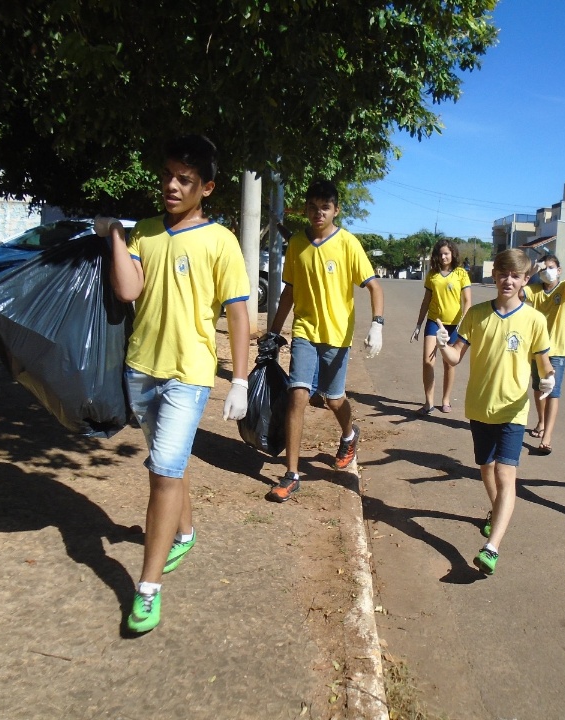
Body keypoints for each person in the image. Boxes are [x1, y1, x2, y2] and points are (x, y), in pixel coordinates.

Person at [96, 134, 251, 634]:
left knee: (162, 471)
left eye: (184, 179)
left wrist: (241, 379)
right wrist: (117, 237)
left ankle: (147, 588)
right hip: (141, 369)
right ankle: (185, 532)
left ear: (206, 187)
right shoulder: (144, 231)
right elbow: (127, 290)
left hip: (190, 374)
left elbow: (239, 314)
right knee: (170, 463)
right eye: (167, 175)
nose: (171, 185)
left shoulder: (221, 240)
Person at [262, 179, 384, 502]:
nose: (319, 213)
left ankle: (349, 433)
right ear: (306, 209)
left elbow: (374, 286)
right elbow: (289, 291)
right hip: (305, 330)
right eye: (313, 207)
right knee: (298, 395)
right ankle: (291, 474)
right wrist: (274, 332)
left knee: (333, 399)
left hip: (337, 335)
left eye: (325, 207)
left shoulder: (347, 243)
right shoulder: (297, 245)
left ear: (336, 210)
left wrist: (378, 324)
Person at [437, 249, 553, 575]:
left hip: (513, 410)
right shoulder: (475, 314)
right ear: (494, 276)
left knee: (505, 475)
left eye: (515, 275)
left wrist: (547, 381)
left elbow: (544, 365)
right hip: (479, 407)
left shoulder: (534, 320)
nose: (508, 280)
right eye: (503, 273)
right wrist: (443, 344)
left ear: (524, 280)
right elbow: (456, 357)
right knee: (486, 470)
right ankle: (496, 511)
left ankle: (492, 548)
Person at [522, 249, 565, 454]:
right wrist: (532, 271)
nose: (547, 272)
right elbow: (518, 292)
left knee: (553, 392)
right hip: (536, 349)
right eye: (544, 268)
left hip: (558, 350)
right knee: (538, 387)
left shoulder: (563, 289)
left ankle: (547, 436)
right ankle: (541, 421)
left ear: (559, 271)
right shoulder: (534, 289)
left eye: (551, 268)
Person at [410, 238, 472, 414]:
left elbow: (467, 301)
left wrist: (463, 323)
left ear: (452, 254)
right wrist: (418, 324)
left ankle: (445, 400)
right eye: (440, 254)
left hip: (454, 325)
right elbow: (426, 301)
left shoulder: (461, 273)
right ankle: (428, 402)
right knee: (427, 361)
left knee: (449, 364)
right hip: (433, 322)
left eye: (446, 253)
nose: (443, 257)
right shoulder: (432, 274)